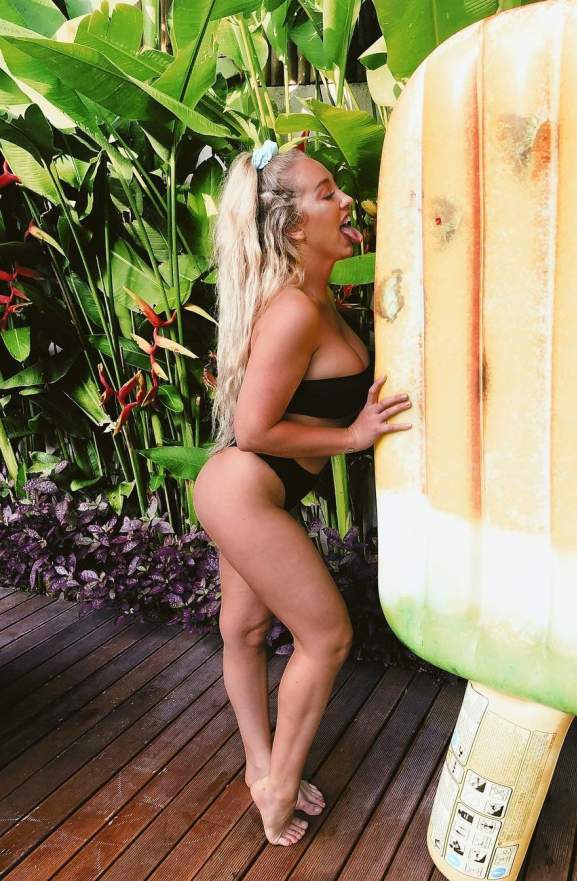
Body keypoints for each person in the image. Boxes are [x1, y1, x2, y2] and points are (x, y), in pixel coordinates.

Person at [192, 138, 414, 847]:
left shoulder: (319, 300)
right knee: (327, 635)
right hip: (244, 490)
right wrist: (352, 436)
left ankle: (261, 765)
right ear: (292, 226)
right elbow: (253, 428)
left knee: (243, 632)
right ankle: (279, 790)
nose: (346, 201)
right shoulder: (293, 310)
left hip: (252, 490)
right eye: (327, 194)